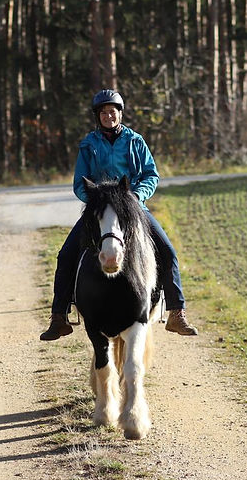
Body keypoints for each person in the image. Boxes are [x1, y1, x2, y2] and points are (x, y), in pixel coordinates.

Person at [40, 89, 198, 340]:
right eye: (103, 113)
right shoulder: (88, 144)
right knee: (67, 254)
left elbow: (150, 175)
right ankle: (59, 317)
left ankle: (176, 313)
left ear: (120, 114)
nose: (108, 116)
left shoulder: (136, 141)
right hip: (100, 211)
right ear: (98, 116)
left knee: (167, 251)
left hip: (133, 208)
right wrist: (96, 201)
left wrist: (136, 197)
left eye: (112, 112)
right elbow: (80, 183)